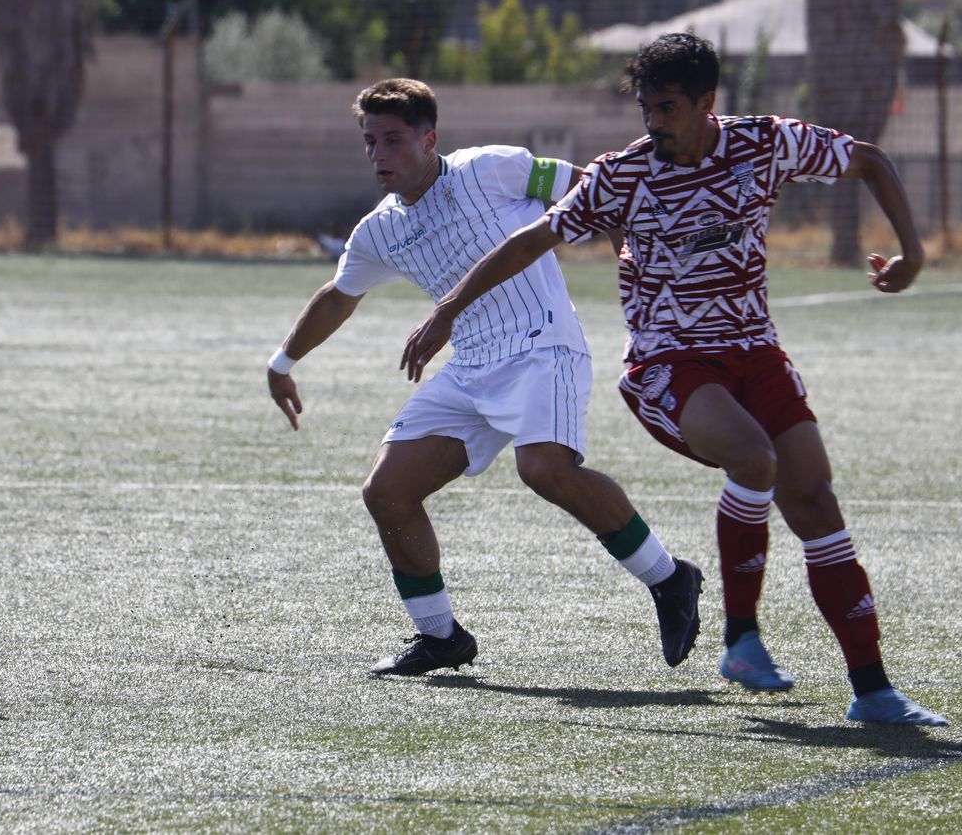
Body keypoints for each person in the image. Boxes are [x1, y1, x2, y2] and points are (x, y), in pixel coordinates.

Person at [402, 35, 948, 726]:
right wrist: (450, 308)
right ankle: (742, 639)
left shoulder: (764, 144)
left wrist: (914, 252)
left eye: (666, 108)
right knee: (755, 458)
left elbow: (869, 161)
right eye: (645, 108)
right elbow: (533, 239)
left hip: (756, 352)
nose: (652, 122)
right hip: (669, 364)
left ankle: (873, 690)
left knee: (813, 497)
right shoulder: (621, 175)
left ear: (706, 104)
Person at [267, 78, 704, 677]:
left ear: (430, 139)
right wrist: (283, 362)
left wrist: (630, 255)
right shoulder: (379, 230)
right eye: (370, 142)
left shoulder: (492, 168)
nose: (378, 155)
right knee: (387, 491)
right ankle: (441, 637)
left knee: (545, 470)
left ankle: (670, 577)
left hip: (542, 344)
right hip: (471, 364)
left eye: (393, 141)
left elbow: (593, 188)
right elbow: (338, 298)